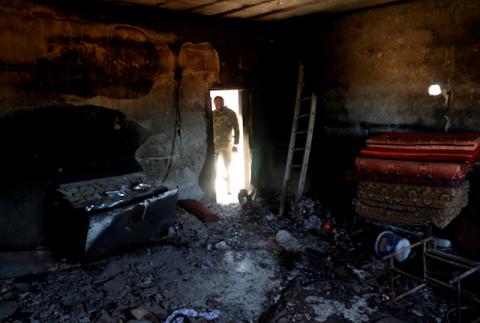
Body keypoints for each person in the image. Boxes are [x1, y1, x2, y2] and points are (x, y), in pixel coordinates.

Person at [212, 96, 240, 194]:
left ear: (223, 102)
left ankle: (229, 188)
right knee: (213, 168)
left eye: (220, 102)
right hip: (215, 146)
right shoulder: (212, 115)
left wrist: (236, 144)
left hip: (227, 146)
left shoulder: (230, 113)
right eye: (216, 102)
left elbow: (236, 128)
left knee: (227, 167)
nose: (218, 104)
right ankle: (213, 190)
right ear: (214, 103)